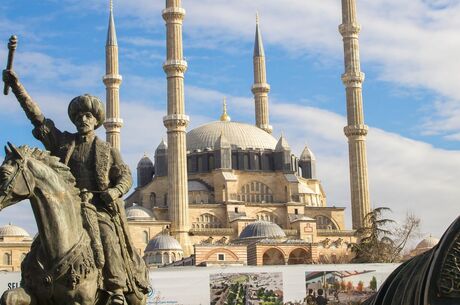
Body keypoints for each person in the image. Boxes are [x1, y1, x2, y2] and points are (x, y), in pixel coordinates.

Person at [3, 69, 148, 305]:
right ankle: (32, 281)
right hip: (67, 205)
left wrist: (114, 191)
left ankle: (115, 289)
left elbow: (125, 177)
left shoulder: (106, 150)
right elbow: (38, 119)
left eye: (88, 116)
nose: (83, 119)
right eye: (79, 115)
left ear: (96, 120)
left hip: (96, 207)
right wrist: (18, 87)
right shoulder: (64, 143)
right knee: (42, 241)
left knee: (106, 236)